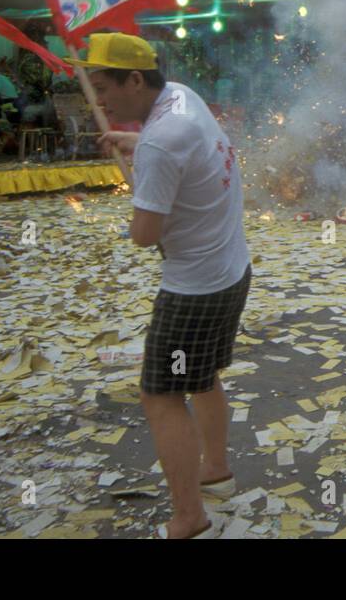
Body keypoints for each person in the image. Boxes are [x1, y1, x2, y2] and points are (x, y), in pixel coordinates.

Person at [73, 32, 251, 540]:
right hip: (232, 269)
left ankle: (190, 518)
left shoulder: (158, 144)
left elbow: (143, 237)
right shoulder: (183, 98)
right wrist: (137, 145)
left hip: (193, 289)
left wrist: (142, 174)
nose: (100, 100)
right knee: (201, 375)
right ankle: (215, 471)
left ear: (135, 79)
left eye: (105, 86)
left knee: (160, 394)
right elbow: (182, 148)